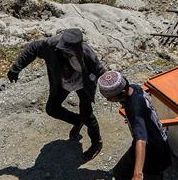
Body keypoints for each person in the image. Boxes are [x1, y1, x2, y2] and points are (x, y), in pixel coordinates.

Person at [7, 28, 105, 162]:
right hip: (62, 83)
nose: (63, 51)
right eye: (63, 48)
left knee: (87, 115)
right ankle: (77, 121)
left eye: (68, 51)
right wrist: (16, 68)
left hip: (84, 84)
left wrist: (121, 93)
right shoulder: (52, 45)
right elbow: (33, 48)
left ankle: (96, 142)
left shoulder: (87, 53)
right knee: (52, 109)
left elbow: (102, 73)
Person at [98, 71, 171, 180]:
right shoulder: (135, 88)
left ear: (122, 93)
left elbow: (141, 140)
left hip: (155, 152)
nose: (109, 101)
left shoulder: (134, 108)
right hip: (141, 145)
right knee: (120, 172)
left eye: (110, 99)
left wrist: (138, 175)